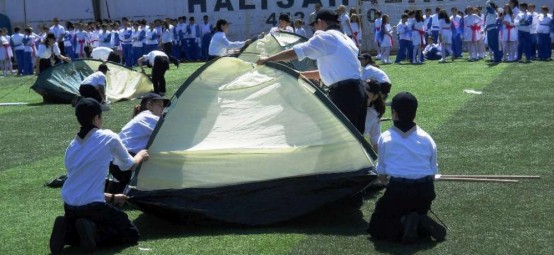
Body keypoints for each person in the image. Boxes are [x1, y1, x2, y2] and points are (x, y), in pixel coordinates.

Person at [49, 98, 149, 254]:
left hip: (70, 207)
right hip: (93, 207)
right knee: (131, 233)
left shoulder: (71, 147)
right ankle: (91, 232)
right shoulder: (108, 137)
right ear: (96, 118)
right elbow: (128, 165)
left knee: (89, 219)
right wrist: (140, 156)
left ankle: (67, 229)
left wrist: (112, 197)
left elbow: (80, 184)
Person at [257, 9, 367, 133]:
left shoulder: (325, 37)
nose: (314, 29)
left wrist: (269, 59)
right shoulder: (345, 38)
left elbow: (295, 52)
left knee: (343, 137)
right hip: (358, 91)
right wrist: (298, 75)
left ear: (319, 22)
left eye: (314, 25)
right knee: (357, 139)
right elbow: (326, 73)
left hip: (344, 95)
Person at [367, 92, 446, 244]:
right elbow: (432, 174)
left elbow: (382, 175)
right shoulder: (427, 138)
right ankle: (419, 221)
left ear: (394, 113)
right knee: (414, 209)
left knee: (377, 228)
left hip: (399, 191)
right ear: (415, 113)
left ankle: (405, 221)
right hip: (424, 192)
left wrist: (386, 180)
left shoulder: (386, 137)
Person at [108, 93, 169, 193]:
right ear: (149, 105)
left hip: (117, 164)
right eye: (160, 105)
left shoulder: (142, 117)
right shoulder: (148, 117)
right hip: (126, 163)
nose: (163, 109)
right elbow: (169, 131)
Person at [363, 80, 386, 151]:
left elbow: (376, 138)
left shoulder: (373, 114)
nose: (362, 98)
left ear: (375, 97)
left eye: (366, 96)